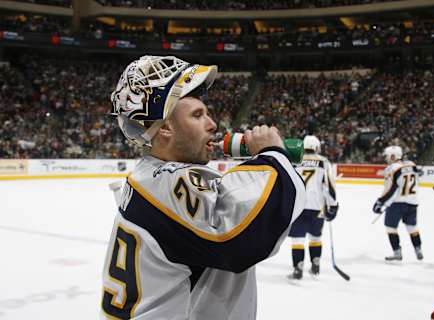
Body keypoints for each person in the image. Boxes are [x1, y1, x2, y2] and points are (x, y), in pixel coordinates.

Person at [100, 55, 306, 320]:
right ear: (165, 128)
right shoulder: (169, 183)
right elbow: (246, 236)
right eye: (197, 115)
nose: (212, 124)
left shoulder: (150, 179)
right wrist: (272, 154)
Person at [288, 135, 338, 279]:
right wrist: (333, 206)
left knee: (297, 239)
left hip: (298, 206)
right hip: (317, 207)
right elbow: (329, 186)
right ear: (317, 147)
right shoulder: (324, 162)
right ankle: (315, 264)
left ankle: (298, 269)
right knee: (315, 237)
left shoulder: (295, 161)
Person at [373, 145, 423, 261]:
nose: (386, 159)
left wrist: (380, 202)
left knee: (390, 228)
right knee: (412, 227)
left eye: (387, 156)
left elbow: (390, 189)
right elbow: (417, 175)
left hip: (396, 204)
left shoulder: (391, 169)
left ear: (392, 156)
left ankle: (397, 252)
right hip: (412, 202)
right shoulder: (411, 164)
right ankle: (418, 249)